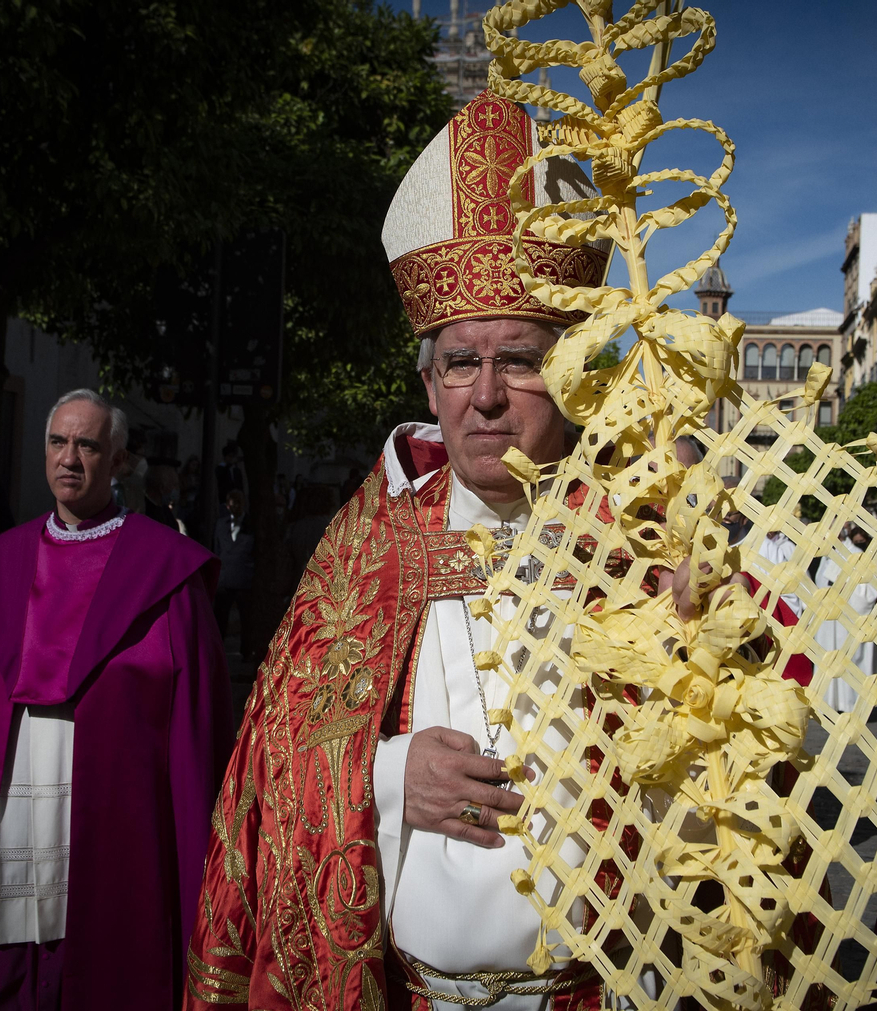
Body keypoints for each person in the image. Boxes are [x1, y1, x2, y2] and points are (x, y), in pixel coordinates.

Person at [185, 91, 619, 1010]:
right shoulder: (367, 546)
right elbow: (268, 765)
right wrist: (386, 776)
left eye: (522, 358)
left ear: (575, 371)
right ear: (429, 378)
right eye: (462, 361)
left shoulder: (640, 538)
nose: (488, 395)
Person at [0, 389, 233, 1011]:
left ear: (117, 461)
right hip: (12, 796)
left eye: (88, 444)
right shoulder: (4, 565)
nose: (69, 458)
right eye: (58, 442)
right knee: (1, 959)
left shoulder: (163, 569)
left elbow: (197, 727)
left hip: (109, 801)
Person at [811, 521, 877, 713]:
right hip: (828, 625)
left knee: (849, 665)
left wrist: (843, 593)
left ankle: (851, 706)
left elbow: (868, 595)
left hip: (847, 623)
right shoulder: (826, 558)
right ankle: (831, 703)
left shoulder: (856, 557)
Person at [212, 488, 255, 654]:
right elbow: (217, 548)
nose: (236, 506)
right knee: (220, 617)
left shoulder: (251, 524)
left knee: (246, 618)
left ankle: (246, 650)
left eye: (239, 502)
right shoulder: (220, 525)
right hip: (226, 576)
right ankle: (217, 650)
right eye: (233, 502)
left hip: (244, 576)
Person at [143, 455, 185, 533]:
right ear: (162, 488)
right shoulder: (144, 511)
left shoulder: (166, 511)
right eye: (174, 485)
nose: (177, 490)